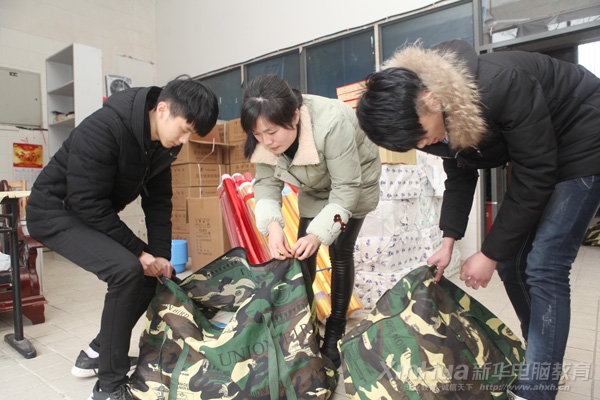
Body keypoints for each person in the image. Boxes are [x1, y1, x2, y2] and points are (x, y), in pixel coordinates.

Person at [355, 40, 600, 400]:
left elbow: (536, 175)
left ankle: (537, 390)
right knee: (512, 263)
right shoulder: (437, 115)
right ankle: (541, 362)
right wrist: (448, 241)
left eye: (419, 136)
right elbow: (460, 172)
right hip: (543, 152)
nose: (422, 145)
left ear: (431, 100)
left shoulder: (502, 84)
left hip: (584, 133)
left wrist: (487, 253)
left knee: (545, 264)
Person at [26, 76, 219, 400]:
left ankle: (97, 352)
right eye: (185, 129)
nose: (184, 140)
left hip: (88, 212)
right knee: (127, 270)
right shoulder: (105, 127)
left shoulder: (163, 145)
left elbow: (159, 203)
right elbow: (85, 201)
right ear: (162, 109)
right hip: (54, 211)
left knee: (151, 274)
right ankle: (109, 386)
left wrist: (160, 257)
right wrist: (138, 254)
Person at [241, 74, 381, 369]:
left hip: (354, 182)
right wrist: (273, 227)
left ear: (294, 116)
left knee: (339, 249)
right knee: (301, 257)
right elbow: (266, 182)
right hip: (315, 185)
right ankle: (302, 327)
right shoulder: (265, 134)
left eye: (272, 132)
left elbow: (346, 189)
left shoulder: (331, 123)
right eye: (257, 134)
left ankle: (335, 332)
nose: (266, 141)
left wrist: (318, 235)